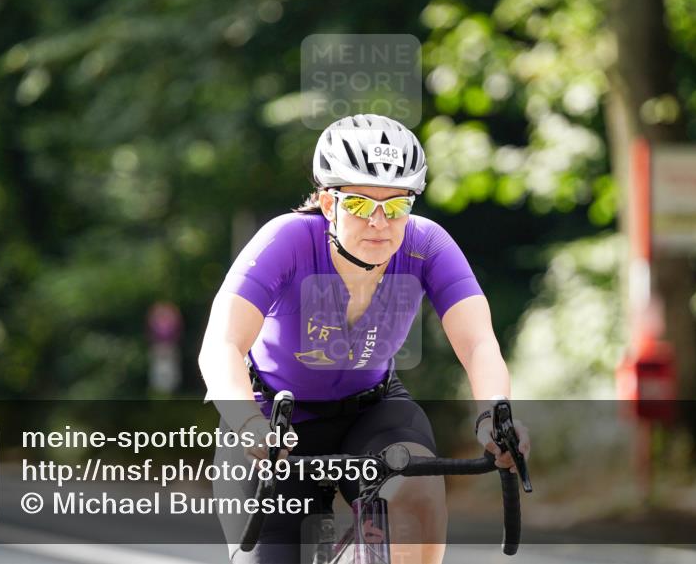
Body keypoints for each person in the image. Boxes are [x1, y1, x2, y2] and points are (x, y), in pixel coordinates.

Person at [198, 114, 530, 564]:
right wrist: (248, 424)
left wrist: (494, 417)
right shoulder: (286, 240)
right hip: (272, 419)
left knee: (419, 491)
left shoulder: (426, 245)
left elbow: (478, 344)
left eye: (395, 206)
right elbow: (221, 345)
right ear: (327, 203)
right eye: (358, 204)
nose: (379, 222)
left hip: (373, 412)